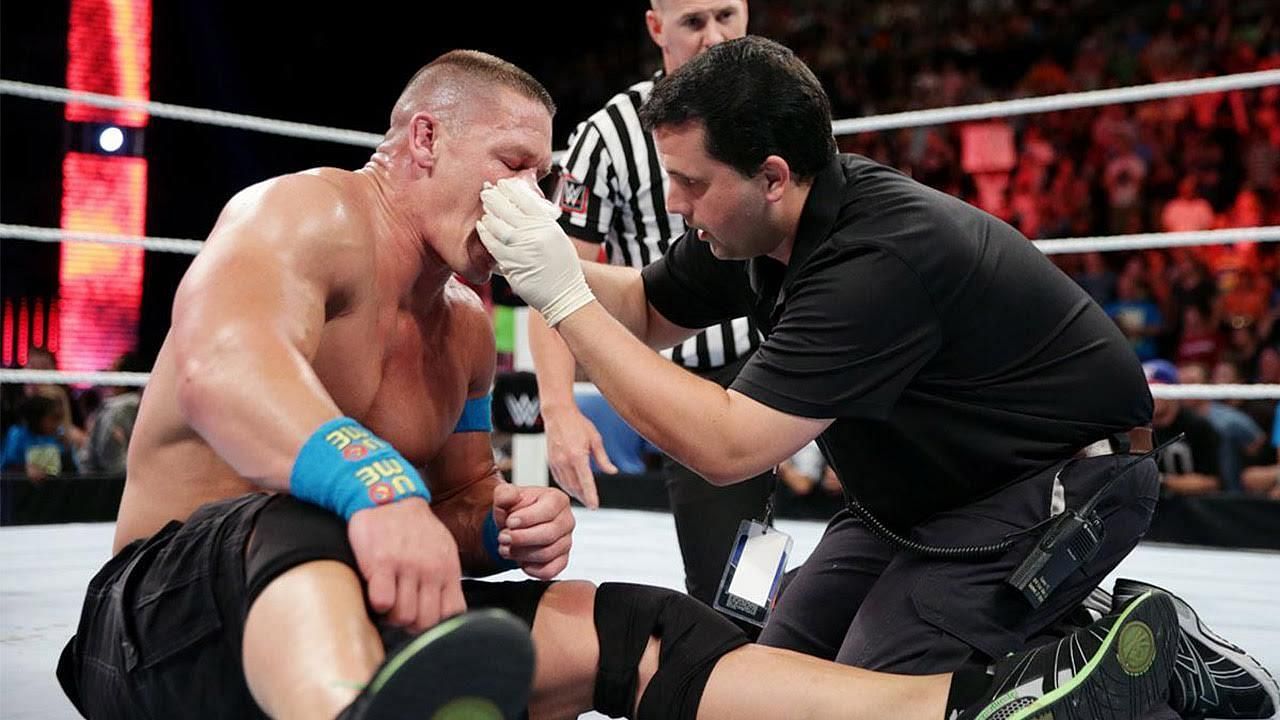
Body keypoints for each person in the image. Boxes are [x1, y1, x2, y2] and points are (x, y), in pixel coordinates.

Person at [55, 48, 1192, 720]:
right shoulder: (306, 210)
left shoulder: (467, 321)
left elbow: (702, 450)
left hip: (1047, 488)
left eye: (543, 181)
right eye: (511, 170)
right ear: (416, 144)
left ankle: (997, 707)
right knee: (301, 516)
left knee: (660, 632)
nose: (530, 204)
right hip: (163, 625)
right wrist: (377, 484)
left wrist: (497, 520)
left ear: (773, 178)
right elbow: (215, 366)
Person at [478, 36, 1277, 719]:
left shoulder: (874, 262)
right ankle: (1073, 629)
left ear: (774, 176)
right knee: (766, 676)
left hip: (1062, 485)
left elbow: (729, 447)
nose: (677, 204)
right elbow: (648, 309)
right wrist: (548, 252)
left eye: (691, 183)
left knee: (881, 695)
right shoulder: (760, 226)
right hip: (923, 496)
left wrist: (564, 297)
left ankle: (1118, 651)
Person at [531, 0, 773, 610]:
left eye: (728, 15)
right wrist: (558, 409)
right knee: (732, 594)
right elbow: (553, 278)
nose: (715, 38)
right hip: (672, 373)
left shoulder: (783, 108)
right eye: (694, 22)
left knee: (773, 582)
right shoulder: (607, 138)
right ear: (655, 27)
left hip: (779, 360)